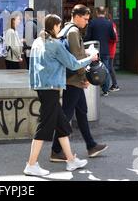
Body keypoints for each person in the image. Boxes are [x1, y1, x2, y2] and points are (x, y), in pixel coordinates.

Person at [24, 14, 99, 176]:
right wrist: (90, 57)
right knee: (44, 127)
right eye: (59, 26)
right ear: (55, 26)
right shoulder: (55, 44)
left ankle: (71, 160)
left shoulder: (38, 41)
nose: (60, 29)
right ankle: (31, 165)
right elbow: (72, 64)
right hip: (50, 88)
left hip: (41, 86)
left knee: (63, 125)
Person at [51, 5, 108, 162]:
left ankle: (91, 145)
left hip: (70, 78)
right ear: (76, 16)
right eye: (85, 19)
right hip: (74, 80)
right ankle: (56, 150)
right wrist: (85, 78)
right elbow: (76, 59)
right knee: (67, 115)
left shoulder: (65, 30)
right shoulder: (74, 31)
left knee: (82, 112)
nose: (87, 22)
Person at [84, 6, 116, 96]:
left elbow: (88, 37)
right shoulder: (109, 23)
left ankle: (93, 86)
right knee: (105, 69)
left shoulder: (92, 23)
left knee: (93, 69)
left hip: (94, 50)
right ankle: (106, 89)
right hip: (105, 50)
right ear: (105, 13)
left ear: (97, 12)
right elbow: (113, 37)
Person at [108, 13, 120, 92]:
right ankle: (114, 84)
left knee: (110, 67)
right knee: (109, 67)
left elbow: (115, 38)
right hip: (109, 49)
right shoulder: (111, 25)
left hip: (110, 49)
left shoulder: (111, 25)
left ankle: (115, 84)